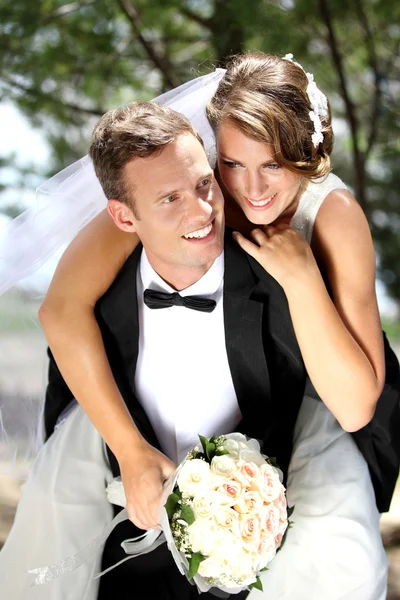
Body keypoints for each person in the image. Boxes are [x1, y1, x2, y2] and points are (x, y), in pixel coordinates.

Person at [0, 53, 396, 599]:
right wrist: (132, 451)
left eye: (273, 165)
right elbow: (63, 306)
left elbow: (355, 405)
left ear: (304, 154)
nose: (250, 191)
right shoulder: (188, 186)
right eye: (231, 164)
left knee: (332, 552)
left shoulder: (330, 215)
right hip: (152, 418)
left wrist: (302, 275)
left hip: (316, 389)